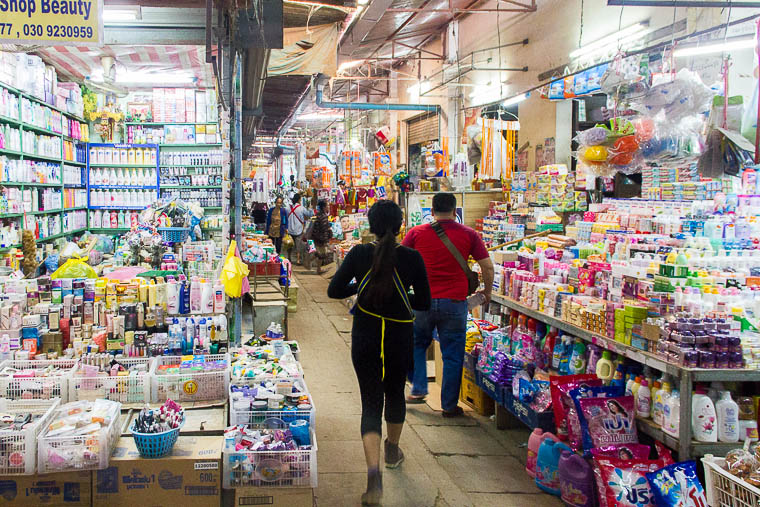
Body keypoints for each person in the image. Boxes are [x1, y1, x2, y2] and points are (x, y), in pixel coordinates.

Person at [327, 200, 431, 506]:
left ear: (370, 226)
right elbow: (423, 302)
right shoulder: (412, 258)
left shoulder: (359, 254)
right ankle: (392, 449)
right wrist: (403, 294)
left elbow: (334, 290)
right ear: (400, 226)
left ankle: (373, 477)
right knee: (396, 392)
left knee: (371, 401)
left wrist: (361, 287)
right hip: (399, 336)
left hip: (366, 335)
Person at [402, 192, 494, 417]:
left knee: (417, 345)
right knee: (452, 354)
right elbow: (487, 267)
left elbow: (400, 262)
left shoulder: (416, 233)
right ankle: (449, 406)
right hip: (455, 303)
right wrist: (488, 292)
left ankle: (418, 389)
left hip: (422, 301)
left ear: (432, 212)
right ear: (455, 212)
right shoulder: (469, 234)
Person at [286, 193, 312, 264]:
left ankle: (289, 258)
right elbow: (309, 214)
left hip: (289, 229)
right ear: (299, 200)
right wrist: (310, 208)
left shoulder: (288, 208)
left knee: (289, 244)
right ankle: (298, 260)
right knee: (298, 245)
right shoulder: (301, 208)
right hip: (298, 229)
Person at [310, 199, 332, 274]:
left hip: (317, 238)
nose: (328, 207)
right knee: (322, 254)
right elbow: (324, 230)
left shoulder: (318, 215)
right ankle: (317, 268)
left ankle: (314, 265)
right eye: (327, 205)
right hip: (321, 238)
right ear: (324, 207)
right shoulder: (323, 216)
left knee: (319, 253)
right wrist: (326, 240)